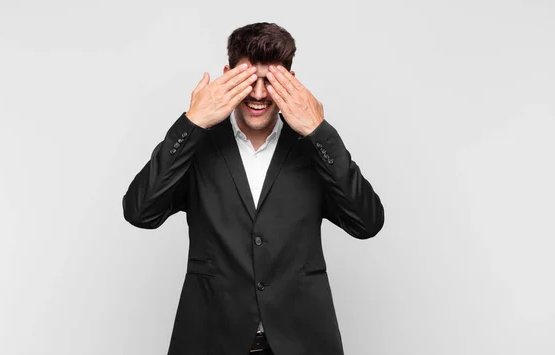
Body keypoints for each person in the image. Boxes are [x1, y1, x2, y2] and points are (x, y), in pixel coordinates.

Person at [122, 22, 384, 355]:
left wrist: (319, 132)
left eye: (270, 82)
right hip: (210, 340)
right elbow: (140, 211)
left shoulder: (312, 147)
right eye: (248, 80)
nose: (259, 95)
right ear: (227, 74)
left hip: (302, 342)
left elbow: (367, 222)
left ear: (290, 81)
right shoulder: (198, 144)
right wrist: (191, 123)